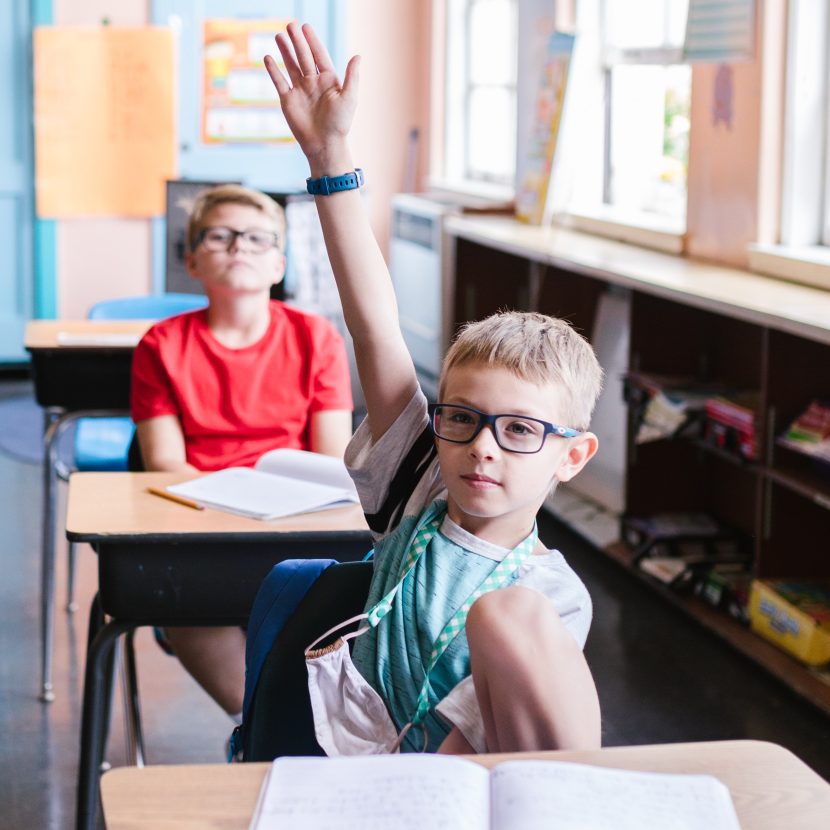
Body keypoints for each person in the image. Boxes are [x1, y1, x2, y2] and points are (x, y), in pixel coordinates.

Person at [264, 23, 604, 756]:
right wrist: (330, 155)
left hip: (455, 792)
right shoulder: (420, 487)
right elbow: (376, 329)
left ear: (572, 456)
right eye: (463, 419)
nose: (482, 448)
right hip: (346, 771)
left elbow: (487, 751)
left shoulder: (552, 600)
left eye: (519, 431)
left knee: (507, 620)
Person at [130, 183, 354, 719]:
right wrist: (229, 516)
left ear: (279, 263)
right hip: (202, 523)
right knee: (181, 596)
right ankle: (259, 727)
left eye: (257, 238)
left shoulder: (315, 337)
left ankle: (296, 727)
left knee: (344, 595)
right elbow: (165, 462)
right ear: (191, 260)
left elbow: (331, 460)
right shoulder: (161, 345)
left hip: (298, 524)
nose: (240, 247)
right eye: (220, 236)